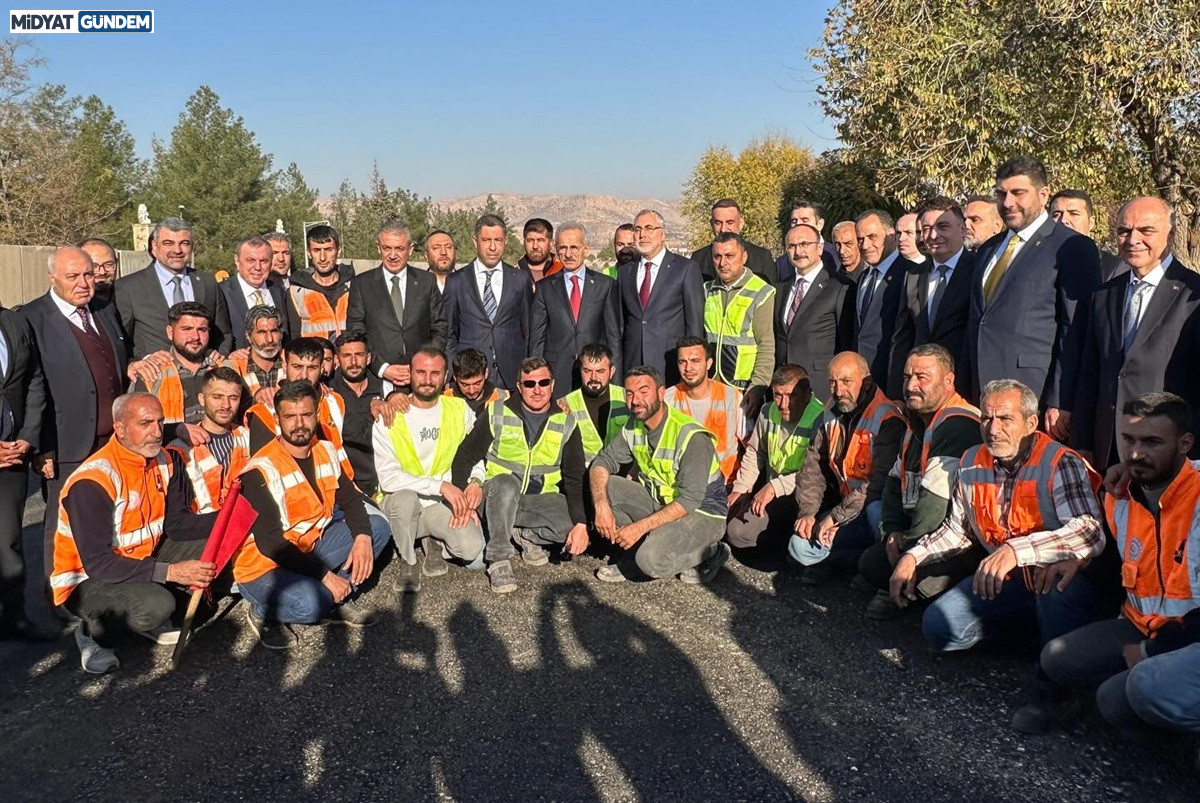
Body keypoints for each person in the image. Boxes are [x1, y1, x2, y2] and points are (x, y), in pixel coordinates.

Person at [1021, 393, 1200, 734]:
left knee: (1119, 698)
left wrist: (1150, 651)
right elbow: (1121, 566)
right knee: (1057, 655)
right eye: (1129, 439)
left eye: (1152, 442)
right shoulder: (1121, 495)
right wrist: (1083, 562)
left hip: (1190, 640)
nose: (1135, 454)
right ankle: (1063, 698)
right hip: (1140, 625)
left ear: (1185, 444)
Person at [889, 379, 1104, 656]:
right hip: (1005, 581)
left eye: (1005, 419)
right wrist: (913, 556)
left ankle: (1059, 664)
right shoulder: (971, 461)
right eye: (986, 419)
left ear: (1031, 424)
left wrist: (1015, 551)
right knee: (938, 627)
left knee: (1058, 591)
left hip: (1053, 578)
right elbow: (958, 530)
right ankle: (1031, 638)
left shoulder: (1059, 461)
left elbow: (1089, 531)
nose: (992, 429)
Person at [50, 393, 219, 672]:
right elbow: (98, 563)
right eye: (145, 423)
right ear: (119, 428)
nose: (157, 432)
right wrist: (171, 572)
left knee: (213, 542)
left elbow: (177, 525)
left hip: (138, 561)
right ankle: (93, 634)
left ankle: (146, 615)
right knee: (156, 606)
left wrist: (227, 518)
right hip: (88, 579)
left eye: (160, 422)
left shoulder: (164, 460)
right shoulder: (93, 480)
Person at [233, 381, 393, 649]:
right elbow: (271, 543)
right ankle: (262, 610)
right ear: (277, 420)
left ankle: (339, 596)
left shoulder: (325, 451)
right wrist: (325, 576)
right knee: (312, 603)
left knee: (377, 527)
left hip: (309, 548)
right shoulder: (260, 470)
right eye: (290, 416)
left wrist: (363, 538)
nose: (299, 424)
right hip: (264, 566)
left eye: (306, 415)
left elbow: (351, 500)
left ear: (316, 415)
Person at [959, 156, 1101, 433]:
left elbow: (1076, 330)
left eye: (1018, 193)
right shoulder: (988, 249)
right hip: (981, 397)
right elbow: (977, 322)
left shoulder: (1072, 247)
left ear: (1043, 195)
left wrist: (1061, 400)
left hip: (1034, 398)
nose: (1008, 202)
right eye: (1001, 194)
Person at [22, 247, 131, 609]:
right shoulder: (33, 319)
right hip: (66, 442)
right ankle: (59, 598)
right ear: (52, 278)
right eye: (73, 276)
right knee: (63, 521)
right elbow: (30, 389)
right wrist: (41, 447)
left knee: (110, 516)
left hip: (112, 439)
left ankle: (104, 592)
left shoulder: (103, 309)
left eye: (88, 274)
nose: (84, 283)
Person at [1070, 196, 1200, 469]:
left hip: (1168, 452)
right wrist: (1082, 443)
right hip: (1108, 447)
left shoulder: (1193, 294)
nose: (1133, 240)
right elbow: (1090, 373)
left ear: (1170, 234)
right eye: (1124, 231)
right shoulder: (1104, 294)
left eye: (1145, 230)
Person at [857, 345, 982, 619]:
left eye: (922, 377)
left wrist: (909, 551)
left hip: (955, 539)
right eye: (907, 377)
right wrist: (892, 531)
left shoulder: (958, 423)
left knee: (883, 568)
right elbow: (894, 484)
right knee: (873, 534)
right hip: (915, 524)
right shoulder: (917, 421)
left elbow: (934, 510)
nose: (911, 385)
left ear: (948, 381)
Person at [449, 357, 588, 594]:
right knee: (506, 484)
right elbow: (465, 457)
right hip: (496, 497)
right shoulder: (496, 412)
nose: (537, 390)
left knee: (571, 526)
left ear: (553, 384)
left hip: (537, 500)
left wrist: (581, 523)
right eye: (529, 384)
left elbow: (574, 477)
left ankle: (522, 534)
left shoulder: (567, 422)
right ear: (519, 387)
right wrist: (462, 498)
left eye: (543, 383)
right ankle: (498, 559)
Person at [589, 366, 731, 584]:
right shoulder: (634, 425)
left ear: (662, 393)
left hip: (703, 512)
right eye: (629, 393)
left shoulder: (691, 436)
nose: (636, 400)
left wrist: (639, 528)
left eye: (643, 391)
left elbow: (689, 500)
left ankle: (713, 550)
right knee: (606, 486)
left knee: (651, 561)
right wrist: (601, 506)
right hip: (662, 500)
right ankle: (641, 550)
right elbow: (602, 462)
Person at [374, 348, 485, 593]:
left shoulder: (459, 408)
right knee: (405, 499)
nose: (427, 379)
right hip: (402, 505)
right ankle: (408, 560)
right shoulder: (389, 415)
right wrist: (440, 486)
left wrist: (475, 482)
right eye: (421, 372)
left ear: (446, 376)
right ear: (410, 374)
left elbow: (475, 454)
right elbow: (388, 477)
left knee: (473, 552)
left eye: (435, 373)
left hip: (439, 504)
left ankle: (432, 538)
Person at [791, 352, 907, 583]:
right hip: (846, 507)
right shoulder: (831, 411)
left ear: (867, 382)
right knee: (798, 545)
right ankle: (855, 563)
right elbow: (813, 467)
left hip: (873, 507)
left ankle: (867, 564)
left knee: (875, 510)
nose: (838, 391)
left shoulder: (887, 418)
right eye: (832, 382)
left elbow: (878, 484)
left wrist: (836, 518)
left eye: (846, 381)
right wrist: (808, 514)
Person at [726, 365, 824, 553]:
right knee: (733, 526)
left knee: (741, 533)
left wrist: (775, 486)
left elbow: (819, 472)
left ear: (807, 395)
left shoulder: (821, 418)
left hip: (805, 495)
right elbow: (756, 452)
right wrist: (741, 488)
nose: (783, 404)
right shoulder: (767, 411)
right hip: (774, 493)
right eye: (778, 395)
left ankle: (790, 544)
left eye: (791, 396)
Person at [346, 219, 448, 393]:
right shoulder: (362, 284)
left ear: (410, 249)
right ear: (378, 248)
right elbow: (356, 332)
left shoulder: (427, 282)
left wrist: (423, 366)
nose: (392, 255)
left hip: (423, 381)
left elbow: (440, 327)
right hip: (378, 380)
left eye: (399, 248)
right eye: (387, 248)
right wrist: (382, 367)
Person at [114, 217, 233, 358]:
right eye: (168, 243)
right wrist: (143, 360)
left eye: (184, 243)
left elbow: (224, 333)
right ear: (154, 246)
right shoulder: (128, 287)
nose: (177, 250)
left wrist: (218, 355)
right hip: (156, 370)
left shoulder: (207, 283)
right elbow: (120, 340)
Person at [529, 222, 623, 396]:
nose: (568, 254)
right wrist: (537, 378)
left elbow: (613, 336)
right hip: (557, 373)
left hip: (594, 374)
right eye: (563, 248)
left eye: (574, 247)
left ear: (586, 249)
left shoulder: (605, 285)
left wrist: (616, 384)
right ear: (556, 249)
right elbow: (537, 338)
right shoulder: (545, 288)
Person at [0, 298, 47, 640]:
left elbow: (33, 380)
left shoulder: (13, 322)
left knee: (8, 543)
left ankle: (13, 618)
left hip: (12, 453)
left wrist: (28, 436)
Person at [890, 197, 977, 383]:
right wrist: (896, 389)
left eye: (943, 227)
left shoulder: (978, 270)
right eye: (926, 229)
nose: (933, 235)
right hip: (920, 386)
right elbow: (903, 337)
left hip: (962, 383)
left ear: (963, 229)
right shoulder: (913, 275)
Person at [443, 214, 533, 390]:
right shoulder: (456, 281)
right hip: (470, 377)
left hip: (512, 375)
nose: (492, 247)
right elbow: (448, 333)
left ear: (505, 241)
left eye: (498, 240)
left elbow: (529, 328)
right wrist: (453, 372)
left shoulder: (520, 279)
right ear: (475, 241)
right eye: (486, 240)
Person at [244, 337, 354, 478]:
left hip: (340, 483)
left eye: (312, 368)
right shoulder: (266, 409)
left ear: (322, 369)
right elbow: (261, 467)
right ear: (285, 366)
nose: (304, 375)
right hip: (294, 488)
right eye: (297, 367)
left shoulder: (334, 401)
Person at [617, 209, 704, 385]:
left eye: (649, 228)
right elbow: (621, 323)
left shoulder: (685, 269)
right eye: (638, 229)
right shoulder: (625, 272)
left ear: (662, 234)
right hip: (633, 366)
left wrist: (692, 367)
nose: (642, 234)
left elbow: (694, 324)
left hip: (669, 365)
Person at [167, 367, 251, 514]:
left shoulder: (248, 438)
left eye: (233, 398)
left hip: (242, 522)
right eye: (217, 397)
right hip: (201, 525)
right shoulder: (180, 449)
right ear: (202, 399)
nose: (226, 405)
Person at [774, 223, 850, 379]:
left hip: (819, 381)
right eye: (792, 246)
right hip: (784, 381)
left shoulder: (839, 286)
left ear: (819, 248)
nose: (798, 251)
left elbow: (846, 341)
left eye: (804, 244)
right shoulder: (781, 288)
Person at [849, 209, 912, 396]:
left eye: (872, 237)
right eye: (860, 239)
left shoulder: (910, 274)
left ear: (891, 235)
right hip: (862, 381)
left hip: (891, 381)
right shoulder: (864, 277)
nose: (865, 245)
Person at [664, 337, 745, 483]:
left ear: (709, 363)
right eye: (682, 362)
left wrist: (742, 486)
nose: (688, 368)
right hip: (681, 484)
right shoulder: (667, 399)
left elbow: (752, 448)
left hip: (725, 483)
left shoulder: (732, 397)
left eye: (695, 361)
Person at [703, 232, 776, 392]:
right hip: (709, 384)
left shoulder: (761, 291)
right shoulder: (707, 290)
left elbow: (766, 345)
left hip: (742, 387)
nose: (722, 263)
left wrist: (757, 387)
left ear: (744, 257)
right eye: (717, 256)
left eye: (729, 256)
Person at [329, 333, 393, 498]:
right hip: (346, 482)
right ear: (337, 360)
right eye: (346, 356)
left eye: (359, 355)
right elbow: (349, 434)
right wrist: (373, 412)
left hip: (384, 479)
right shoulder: (329, 392)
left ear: (369, 358)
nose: (353, 362)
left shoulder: (386, 388)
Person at [131, 301, 215, 428]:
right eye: (187, 329)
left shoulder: (221, 368)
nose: (195, 337)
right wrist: (175, 430)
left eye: (202, 330)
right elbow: (135, 425)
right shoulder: (152, 374)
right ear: (170, 332)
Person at [218, 237, 291, 349]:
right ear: (237, 261)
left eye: (263, 261)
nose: (257, 267)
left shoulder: (279, 291)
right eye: (250, 260)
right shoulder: (221, 292)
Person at [560, 343, 629, 463]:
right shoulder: (566, 404)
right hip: (583, 470)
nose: (593, 377)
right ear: (580, 370)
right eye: (587, 371)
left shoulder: (626, 398)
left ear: (612, 371)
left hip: (620, 469)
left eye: (600, 371)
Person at [693, 199, 780, 286]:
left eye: (730, 223)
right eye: (718, 223)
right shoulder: (698, 259)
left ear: (741, 223)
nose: (723, 229)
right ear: (712, 224)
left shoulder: (762, 258)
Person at [289, 224, 354, 339]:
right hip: (314, 351)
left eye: (328, 250)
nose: (322, 257)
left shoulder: (355, 286)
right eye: (316, 250)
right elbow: (294, 336)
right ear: (309, 253)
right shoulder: (296, 292)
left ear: (339, 251)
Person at [1050, 189, 1123, 281]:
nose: (1064, 220)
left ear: (1091, 223)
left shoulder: (1113, 269)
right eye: (1056, 215)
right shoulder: (1036, 262)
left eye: (1073, 214)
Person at [224, 305, 286, 403]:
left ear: (281, 334)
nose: (269, 339)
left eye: (274, 331)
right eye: (262, 332)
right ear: (248, 336)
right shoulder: (233, 366)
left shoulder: (292, 362)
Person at [775, 201, 840, 283]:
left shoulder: (838, 256)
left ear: (820, 224)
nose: (798, 224)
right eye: (794, 221)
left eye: (805, 220)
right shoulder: (781, 263)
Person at [445, 348, 509, 414]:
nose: (471, 391)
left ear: (486, 373)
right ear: (455, 377)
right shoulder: (445, 399)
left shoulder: (501, 398)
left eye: (477, 383)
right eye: (465, 385)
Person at [518, 218, 563, 282]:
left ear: (551, 243)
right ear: (524, 242)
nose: (535, 246)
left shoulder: (563, 271)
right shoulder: (513, 273)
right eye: (530, 240)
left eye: (540, 240)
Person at [79, 237, 118, 308]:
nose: (102, 272)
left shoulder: (128, 296)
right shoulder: (72, 304)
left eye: (108, 265)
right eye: (94, 266)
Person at [424, 229, 457, 294]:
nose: (443, 252)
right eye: (436, 248)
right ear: (426, 255)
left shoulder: (469, 283)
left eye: (448, 247)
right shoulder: (416, 286)